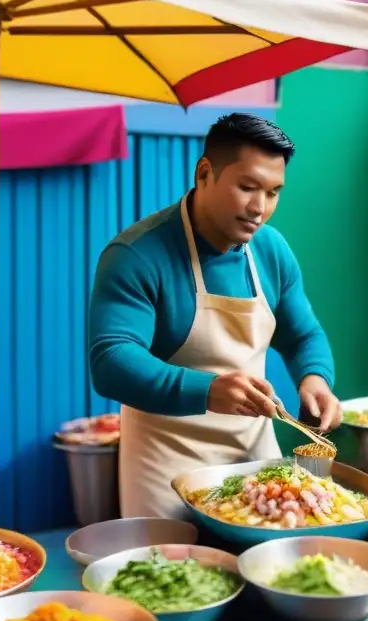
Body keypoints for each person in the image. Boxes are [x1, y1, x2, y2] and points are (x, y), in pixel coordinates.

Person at [89, 113, 341, 519]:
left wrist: (315, 378)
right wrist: (208, 390)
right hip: (167, 466)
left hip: (256, 458)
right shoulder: (136, 255)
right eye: (247, 187)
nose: (260, 208)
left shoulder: (271, 251)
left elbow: (302, 336)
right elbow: (111, 361)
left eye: (274, 192)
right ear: (204, 172)